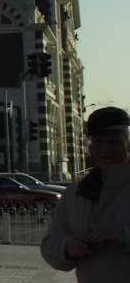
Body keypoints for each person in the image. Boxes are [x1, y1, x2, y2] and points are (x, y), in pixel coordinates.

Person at [40, 106, 130, 282]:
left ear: (127, 143)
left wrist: (123, 234)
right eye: (98, 142)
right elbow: (49, 244)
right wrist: (67, 247)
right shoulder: (76, 191)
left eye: (113, 141)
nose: (105, 149)